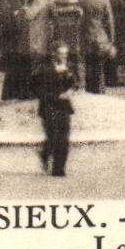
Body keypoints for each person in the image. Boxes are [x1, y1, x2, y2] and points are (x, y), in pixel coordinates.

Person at [38, 43, 77, 177]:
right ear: (54, 54)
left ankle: (59, 169)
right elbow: (37, 88)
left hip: (64, 106)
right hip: (49, 106)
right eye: (60, 53)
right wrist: (55, 96)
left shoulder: (69, 67)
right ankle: (45, 154)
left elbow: (75, 82)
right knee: (53, 136)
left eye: (65, 54)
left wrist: (71, 90)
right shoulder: (44, 68)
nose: (63, 56)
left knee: (64, 138)